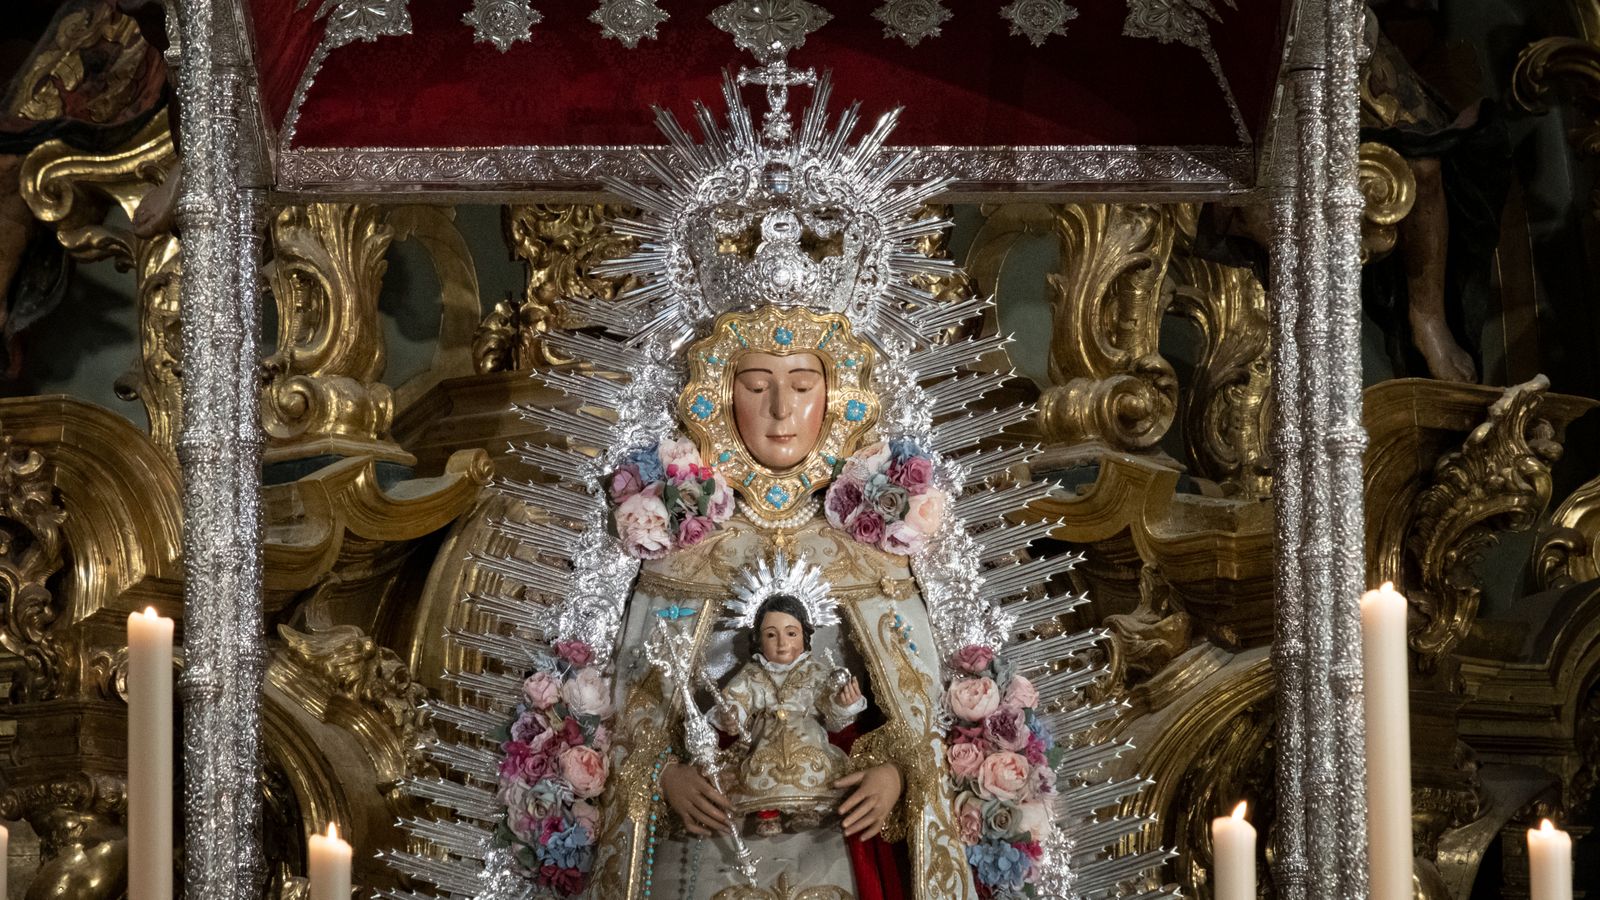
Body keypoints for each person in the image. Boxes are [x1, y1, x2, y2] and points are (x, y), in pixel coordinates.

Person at [714, 593, 867, 836]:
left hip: (807, 734)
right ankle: (767, 812)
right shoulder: (752, 673)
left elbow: (832, 715)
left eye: (791, 633)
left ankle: (807, 808)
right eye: (771, 635)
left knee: (814, 764)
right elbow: (736, 700)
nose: (782, 644)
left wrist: (842, 702)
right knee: (760, 768)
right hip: (765, 734)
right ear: (758, 640)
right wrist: (732, 715)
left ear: (805, 636)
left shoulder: (816, 670)